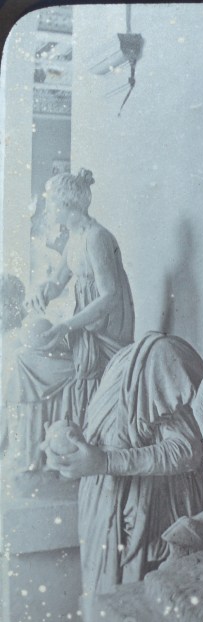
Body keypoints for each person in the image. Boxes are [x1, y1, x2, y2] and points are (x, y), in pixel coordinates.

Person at [42, 332, 203, 609]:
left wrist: (104, 462)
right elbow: (105, 438)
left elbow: (187, 451)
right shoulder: (119, 359)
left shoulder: (161, 355)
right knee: (106, 610)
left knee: (140, 614)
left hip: (146, 517)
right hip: (102, 508)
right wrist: (67, 453)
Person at [3, 169, 134, 479]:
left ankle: (33, 456)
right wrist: (42, 292)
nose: (48, 209)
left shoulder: (97, 238)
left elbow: (111, 296)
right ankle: (28, 453)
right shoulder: (75, 238)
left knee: (26, 364)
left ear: (67, 205)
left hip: (103, 337)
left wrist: (66, 327)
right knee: (23, 358)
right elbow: (58, 281)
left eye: (51, 203)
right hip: (84, 330)